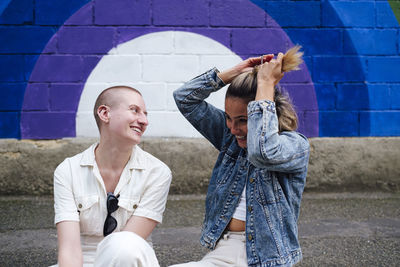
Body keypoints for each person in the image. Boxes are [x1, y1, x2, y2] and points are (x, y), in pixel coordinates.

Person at [171, 46, 310, 267]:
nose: (233, 128)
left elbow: (262, 151)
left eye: (243, 120)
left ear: (267, 110)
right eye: (228, 118)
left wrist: (265, 84)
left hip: (267, 258)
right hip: (223, 250)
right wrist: (233, 73)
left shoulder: (295, 147)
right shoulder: (230, 139)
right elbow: (185, 99)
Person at [52, 86, 172, 267]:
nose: (144, 121)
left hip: (129, 261)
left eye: (145, 114)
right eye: (135, 110)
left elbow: (126, 247)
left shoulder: (157, 172)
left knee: (123, 246)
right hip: (83, 262)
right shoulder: (67, 170)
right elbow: (69, 250)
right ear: (104, 113)